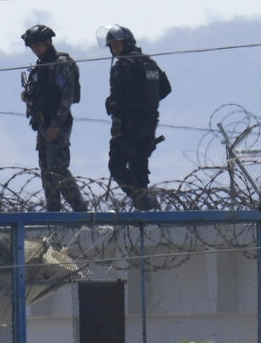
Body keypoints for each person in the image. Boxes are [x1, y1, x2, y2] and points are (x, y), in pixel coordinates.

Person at [20, 24, 88, 212]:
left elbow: (67, 96)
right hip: (42, 123)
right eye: (33, 47)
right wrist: (29, 96)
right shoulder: (41, 65)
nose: (36, 50)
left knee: (58, 170)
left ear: (49, 42)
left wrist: (56, 125)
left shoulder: (60, 63)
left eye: (39, 46)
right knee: (47, 173)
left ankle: (81, 210)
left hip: (56, 123)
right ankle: (53, 213)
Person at [103, 25, 171, 211]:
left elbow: (119, 100)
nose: (116, 50)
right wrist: (147, 103)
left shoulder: (123, 67)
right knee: (139, 167)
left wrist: (114, 113)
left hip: (129, 125)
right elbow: (165, 89)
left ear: (128, 43)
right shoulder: (150, 63)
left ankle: (140, 197)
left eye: (118, 45)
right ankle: (147, 209)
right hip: (149, 124)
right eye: (113, 47)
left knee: (116, 164)